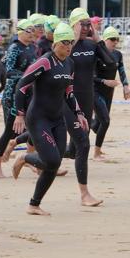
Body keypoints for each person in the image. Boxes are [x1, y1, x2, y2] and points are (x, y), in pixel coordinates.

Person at [10, 23, 89, 216]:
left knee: (54, 164)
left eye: (71, 42)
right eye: (64, 42)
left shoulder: (70, 63)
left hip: (57, 118)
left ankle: (33, 205)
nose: (68, 46)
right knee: (51, 159)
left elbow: (69, 92)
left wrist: (79, 114)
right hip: (38, 119)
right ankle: (24, 157)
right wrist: (19, 114)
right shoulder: (45, 62)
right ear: (56, 43)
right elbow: (22, 86)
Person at [62, 8, 113, 206]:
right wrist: (72, 39)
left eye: (87, 24)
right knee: (84, 144)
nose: (85, 28)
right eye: (81, 24)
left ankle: (26, 157)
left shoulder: (92, 46)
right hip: (66, 102)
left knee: (71, 151)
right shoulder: (64, 45)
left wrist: (98, 39)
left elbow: (110, 64)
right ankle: (85, 195)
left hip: (86, 101)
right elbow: (60, 61)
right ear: (73, 25)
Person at [0, 19, 36, 178]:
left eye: (33, 29)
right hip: (12, 95)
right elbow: (8, 72)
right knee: (10, 130)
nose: (33, 33)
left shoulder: (32, 47)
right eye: (29, 30)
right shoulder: (14, 48)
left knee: (33, 128)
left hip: (28, 94)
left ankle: (30, 160)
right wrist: (27, 76)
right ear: (21, 32)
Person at [91, 27, 130, 160]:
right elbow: (89, 76)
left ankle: (88, 121)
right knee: (106, 121)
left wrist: (126, 86)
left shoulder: (117, 54)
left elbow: (121, 70)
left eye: (117, 39)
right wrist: (104, 81)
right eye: (112, 39)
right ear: (105, 40)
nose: (115, 42)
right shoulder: (96, 54)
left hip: (109, 92)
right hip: (95, 91)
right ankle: (96, 152)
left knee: (98, 125)